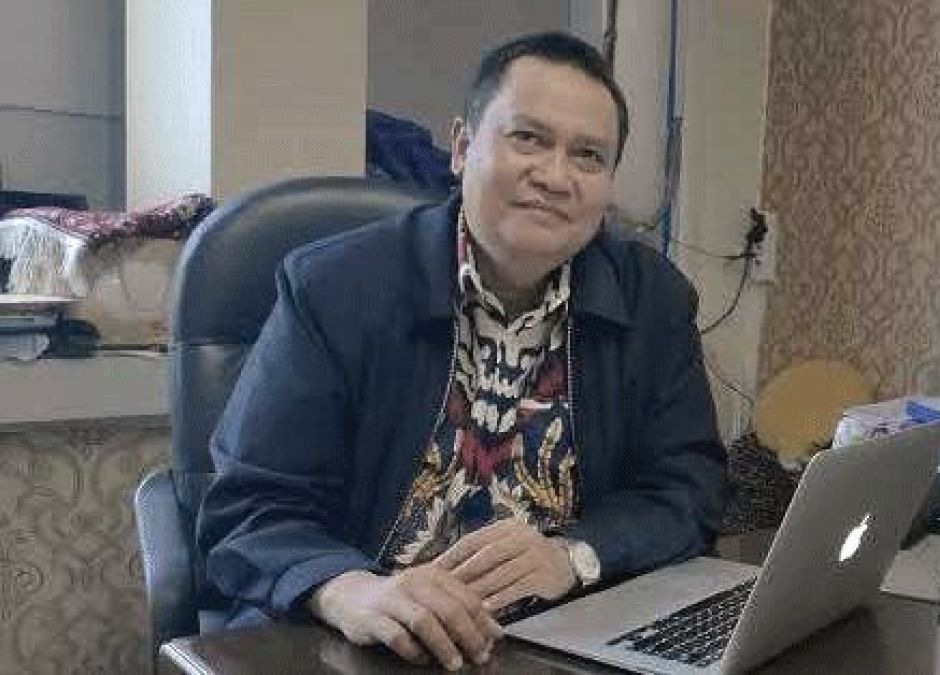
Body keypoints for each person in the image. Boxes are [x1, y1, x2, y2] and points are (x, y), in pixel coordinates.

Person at [197, 31, 726, 671]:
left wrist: (576, 554)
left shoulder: (653, 301)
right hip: (366, 643)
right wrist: (348, 589)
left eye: (588, 156)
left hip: (555, 641)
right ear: (461, 146)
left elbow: (689, 488)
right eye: (528, 138)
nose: (555, 176)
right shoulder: (335, 289)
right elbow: (250, 510)